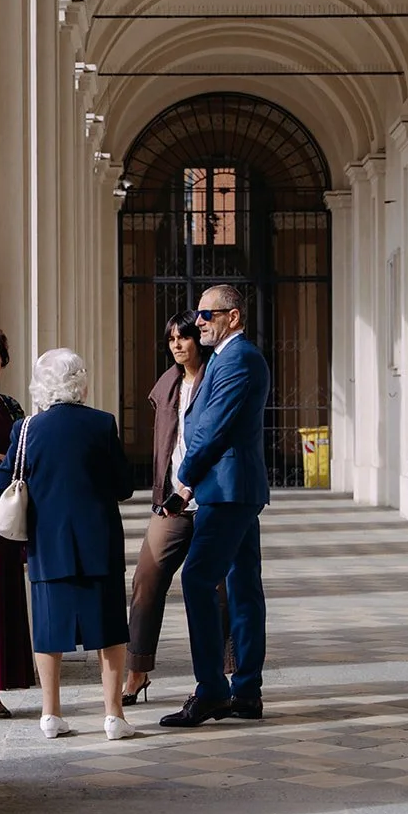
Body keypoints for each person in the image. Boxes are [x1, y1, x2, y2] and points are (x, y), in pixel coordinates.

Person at [0, 349, 136, 740]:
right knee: (108, 631)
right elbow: (123, 486)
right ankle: (113, 715)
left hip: (48, 543)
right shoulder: (102, 424)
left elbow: (0, 484)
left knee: (50, 632)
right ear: (80, 382)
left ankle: (51, 713)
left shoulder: (26, 430)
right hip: (98, 542)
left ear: (41, 385)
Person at [160, 284, 270, 729]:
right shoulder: (227, 359)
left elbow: (212, 429)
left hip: (226, 489)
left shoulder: (238, 359)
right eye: (199, 315)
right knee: (242, 587)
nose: (200, 321)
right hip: (232, 488)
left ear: (234, 317)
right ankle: (246, 691)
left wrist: (183, 484)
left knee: (197, 579)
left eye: (208, 314)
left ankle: (211, 691)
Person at [123, 312, 233, 706]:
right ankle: (137, 670)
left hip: (210, 498)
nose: (177, 345)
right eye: (171, 339)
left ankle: (222, 674)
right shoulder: (168, 384)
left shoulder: (216, 378)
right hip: (171, 500)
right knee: (146, 578)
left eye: (184, 337)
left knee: (218, 587)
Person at [0, 325, 35, 717]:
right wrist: (4, 466)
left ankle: (2, 678)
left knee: (8, 595)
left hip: (12, 512)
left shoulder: (13, 407)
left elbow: (26, 451)